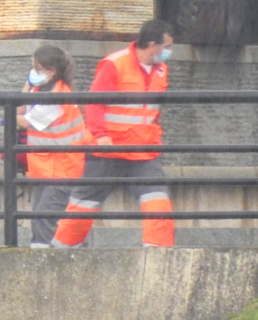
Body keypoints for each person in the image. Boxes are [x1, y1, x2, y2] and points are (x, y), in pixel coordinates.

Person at [52, 19, 175, 248]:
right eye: (167, 46)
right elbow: (95, 102)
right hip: (108, 150)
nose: (169, 51)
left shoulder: (161, 69)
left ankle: (159, 256)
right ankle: (59, 253)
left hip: (143, 151)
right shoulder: (115, 64)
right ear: (152, 45)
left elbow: (153, 109)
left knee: (158, 204)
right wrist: (100, 136)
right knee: (83, 207)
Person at [15, 45, 91, 248]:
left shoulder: (57, 97)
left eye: (36, 69)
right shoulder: (42, 88)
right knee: (43, 217)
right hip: (48, 167)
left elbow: (26, 121)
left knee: (45, 218)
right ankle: (48, 253)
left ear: (51, 71)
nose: (33, 72)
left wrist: (8, 117)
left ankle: (47, 257)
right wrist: (28, 84)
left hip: (62, 168)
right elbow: (19, 107)